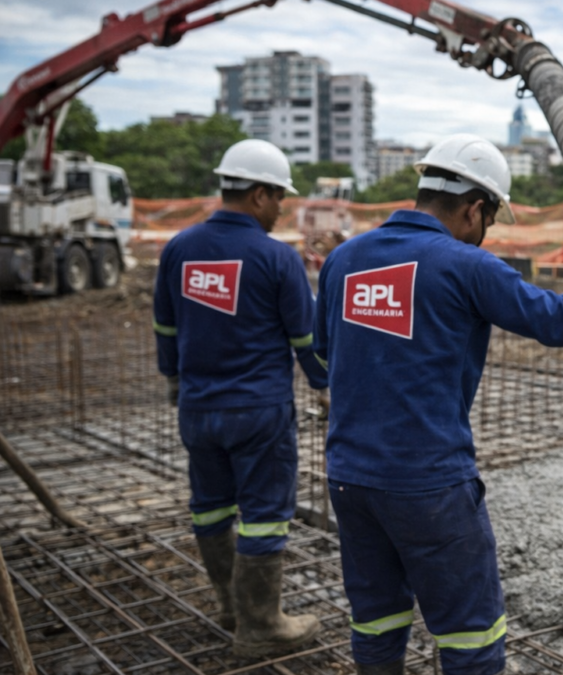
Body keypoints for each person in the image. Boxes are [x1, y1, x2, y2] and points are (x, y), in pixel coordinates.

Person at [313, 133, 563, 675]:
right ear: (474, 209)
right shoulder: (464, 265)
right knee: (471, 634)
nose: (487, 234)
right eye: (491, 221)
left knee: (377, 619)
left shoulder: (343, 259)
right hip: (428, 483)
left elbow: (322, 351)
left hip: (349, 477)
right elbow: (562, 321)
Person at [153, 139, 328, 657]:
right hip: (258, 412)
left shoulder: (179, 248)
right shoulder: (276, 257)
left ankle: (230, 607)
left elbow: (165, 325)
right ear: (257, 194)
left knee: (209, 508)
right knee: (264, 514)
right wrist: (326, 386)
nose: (281, 210)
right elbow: (306, 340)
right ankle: (259, 626)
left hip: (198, 408)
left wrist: (174, 380)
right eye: (279, 199)